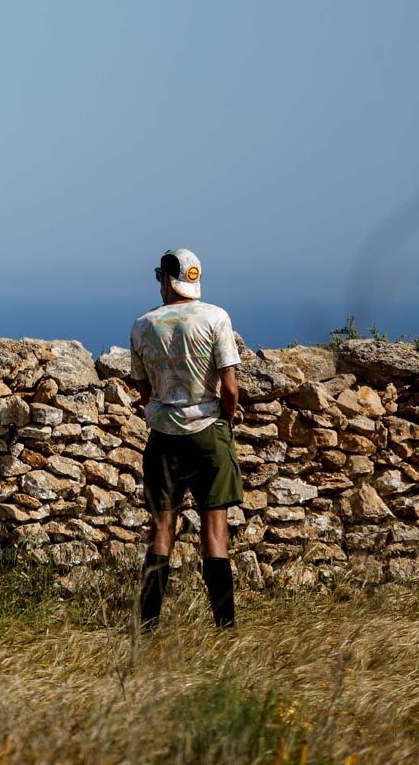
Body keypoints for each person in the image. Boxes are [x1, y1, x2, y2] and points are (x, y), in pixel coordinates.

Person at [130, 249, 243, 631]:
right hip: (208, 429)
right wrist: (223, 421)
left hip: (163, 434)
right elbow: (230, 387)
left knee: (161, 528)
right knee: (215, 531)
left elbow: (143, 391)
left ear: (165, 278)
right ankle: (224, 626)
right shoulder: (215, 317)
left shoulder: (143, 325)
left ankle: (148, 626)